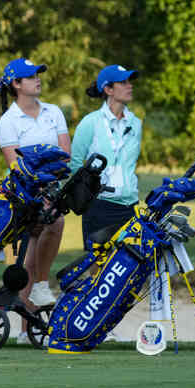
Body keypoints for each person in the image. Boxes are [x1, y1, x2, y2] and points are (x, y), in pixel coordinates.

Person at [0, 58, 71, 344]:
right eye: (30, 77)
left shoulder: (54, 112)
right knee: (49, 230)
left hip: (52, 191)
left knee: (30, 258)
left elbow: (66, 154)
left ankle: (27, 331)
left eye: (38, 74)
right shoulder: (8, 121)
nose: (37, 79)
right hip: (23, 194)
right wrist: (45, 169)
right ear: (16, 85)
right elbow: (18, 166)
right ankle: (39, 287)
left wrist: (47, 169)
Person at [70, 64, 142, 250]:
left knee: (129, 270)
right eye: (123, 82)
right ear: (108, 89)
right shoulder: (90, 122)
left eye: (129, 82)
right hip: (99, 206)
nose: (130, 86)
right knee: (97, 268)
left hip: (130, 205)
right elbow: (75, 163)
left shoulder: (136, 124)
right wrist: (84, 196)